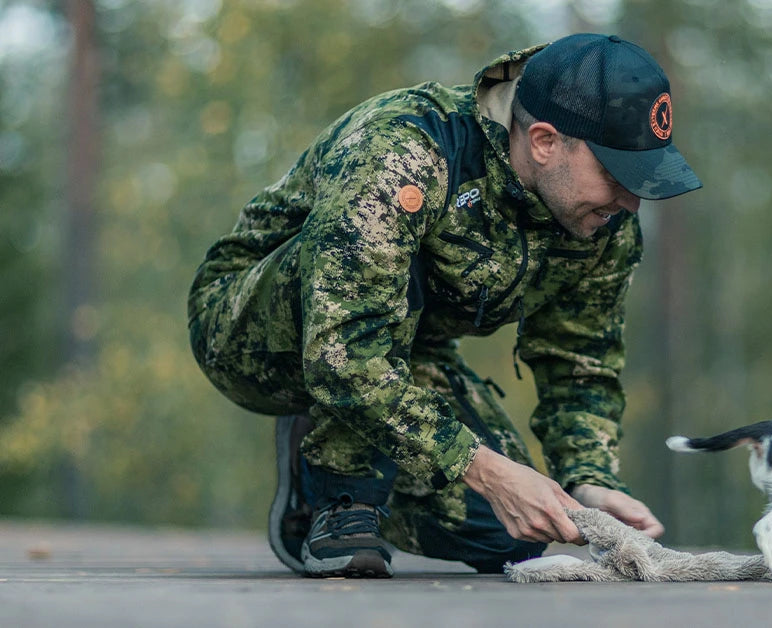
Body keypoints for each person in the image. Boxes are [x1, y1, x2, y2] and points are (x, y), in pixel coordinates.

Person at [187, 33, 701, 578]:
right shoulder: (406, 152)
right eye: (616, 176)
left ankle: (329, 467)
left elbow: (580, 355)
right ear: (545, 141)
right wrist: (486, 470)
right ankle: (342, 495)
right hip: (253, 330)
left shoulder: (599, 219)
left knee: (509, 537)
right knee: (377, 305)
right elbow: (342, 347)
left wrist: (589, 477)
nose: (630, 201)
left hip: (403, 352)